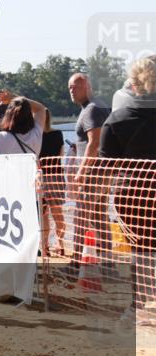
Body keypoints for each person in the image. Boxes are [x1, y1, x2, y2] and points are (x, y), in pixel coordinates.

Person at [99, 56, 156, 324]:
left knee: (141, 251)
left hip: (134, 197)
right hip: (136, 196)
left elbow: (106, 169)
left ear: (132, 86)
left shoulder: (116, 120)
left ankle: (138, 306)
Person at [69, 73, 112, 263]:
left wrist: (81, 171)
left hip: (94, 172)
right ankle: (107, 263)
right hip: (103, 170)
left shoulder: (92, 109)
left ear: (87, 87)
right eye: (70, 87)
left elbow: (94, 143)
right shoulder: (96, 106)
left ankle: (75, 262)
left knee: (81, 215)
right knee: (99, 216)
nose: (72, 90)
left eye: (76, 87)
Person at [39, 109, 67, 257]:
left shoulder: (34, 136)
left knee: (43, 214)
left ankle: (45, 247)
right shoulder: (58, 134)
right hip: (56, 176)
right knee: (58, 213)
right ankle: (60, 244)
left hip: (40, 176)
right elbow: (61, 154)